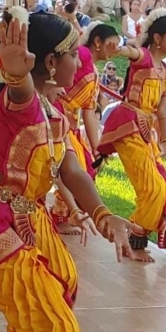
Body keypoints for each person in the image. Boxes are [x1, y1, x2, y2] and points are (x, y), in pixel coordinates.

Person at [0, 9, 136, 332]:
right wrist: (16, 72)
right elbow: (20, 89)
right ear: (50, 62)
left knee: (63, 283)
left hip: (26, 214)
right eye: (74, 54)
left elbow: (71, 169)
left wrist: (103, 214)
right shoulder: (22, 105)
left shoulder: (54, 112)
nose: (80, 62)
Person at [97, 8, 166, 262]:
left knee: (161, 189)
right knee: (152, 188)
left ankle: (136, 238)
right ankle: (134, 238)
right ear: (157, 39)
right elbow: (130, 51)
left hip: (147, 131)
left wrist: (165, 140)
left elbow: (163, 109)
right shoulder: (143, 57)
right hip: (128, 124)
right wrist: (118, 46)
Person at [50, 23, 121, 234]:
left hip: (69, 122)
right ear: (97, 42)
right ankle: (64, 215)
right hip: (56, 113)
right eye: (112, 45)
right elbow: (55, 68)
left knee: (87, 167)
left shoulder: (95, 71)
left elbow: (89, 111)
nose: (115, 50)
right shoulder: (82, 54)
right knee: (75, 168)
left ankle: (69, 214)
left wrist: (98, 147)